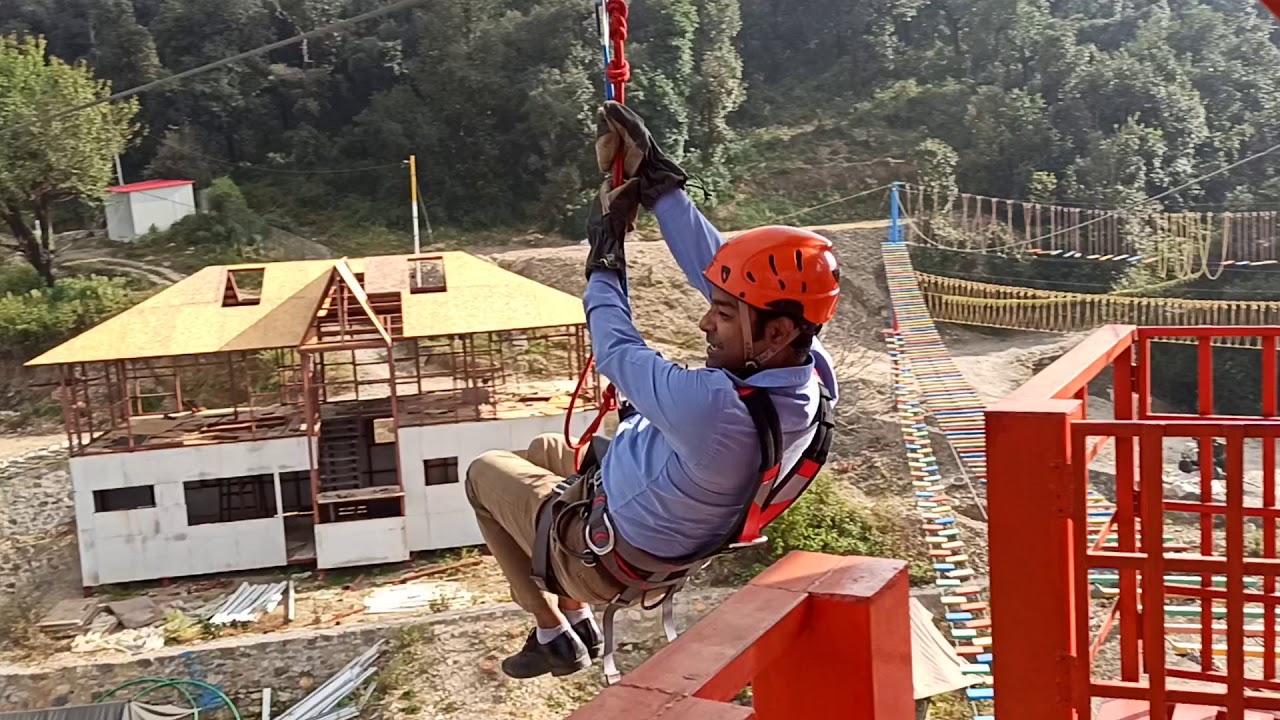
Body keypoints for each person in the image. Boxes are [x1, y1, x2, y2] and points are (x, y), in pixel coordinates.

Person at [465, 101, 841, 679]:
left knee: (484, 473)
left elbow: (617, 349)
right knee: (543, 450)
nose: (704, 323)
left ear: (778, 330)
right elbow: (719, 274)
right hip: (649, 515)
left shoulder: (715, 410)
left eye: (721, 314)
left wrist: (605, 253)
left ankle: (553, 632)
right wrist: (660, 186)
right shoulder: (810, 370)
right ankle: (574, 617)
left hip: (607, 555)